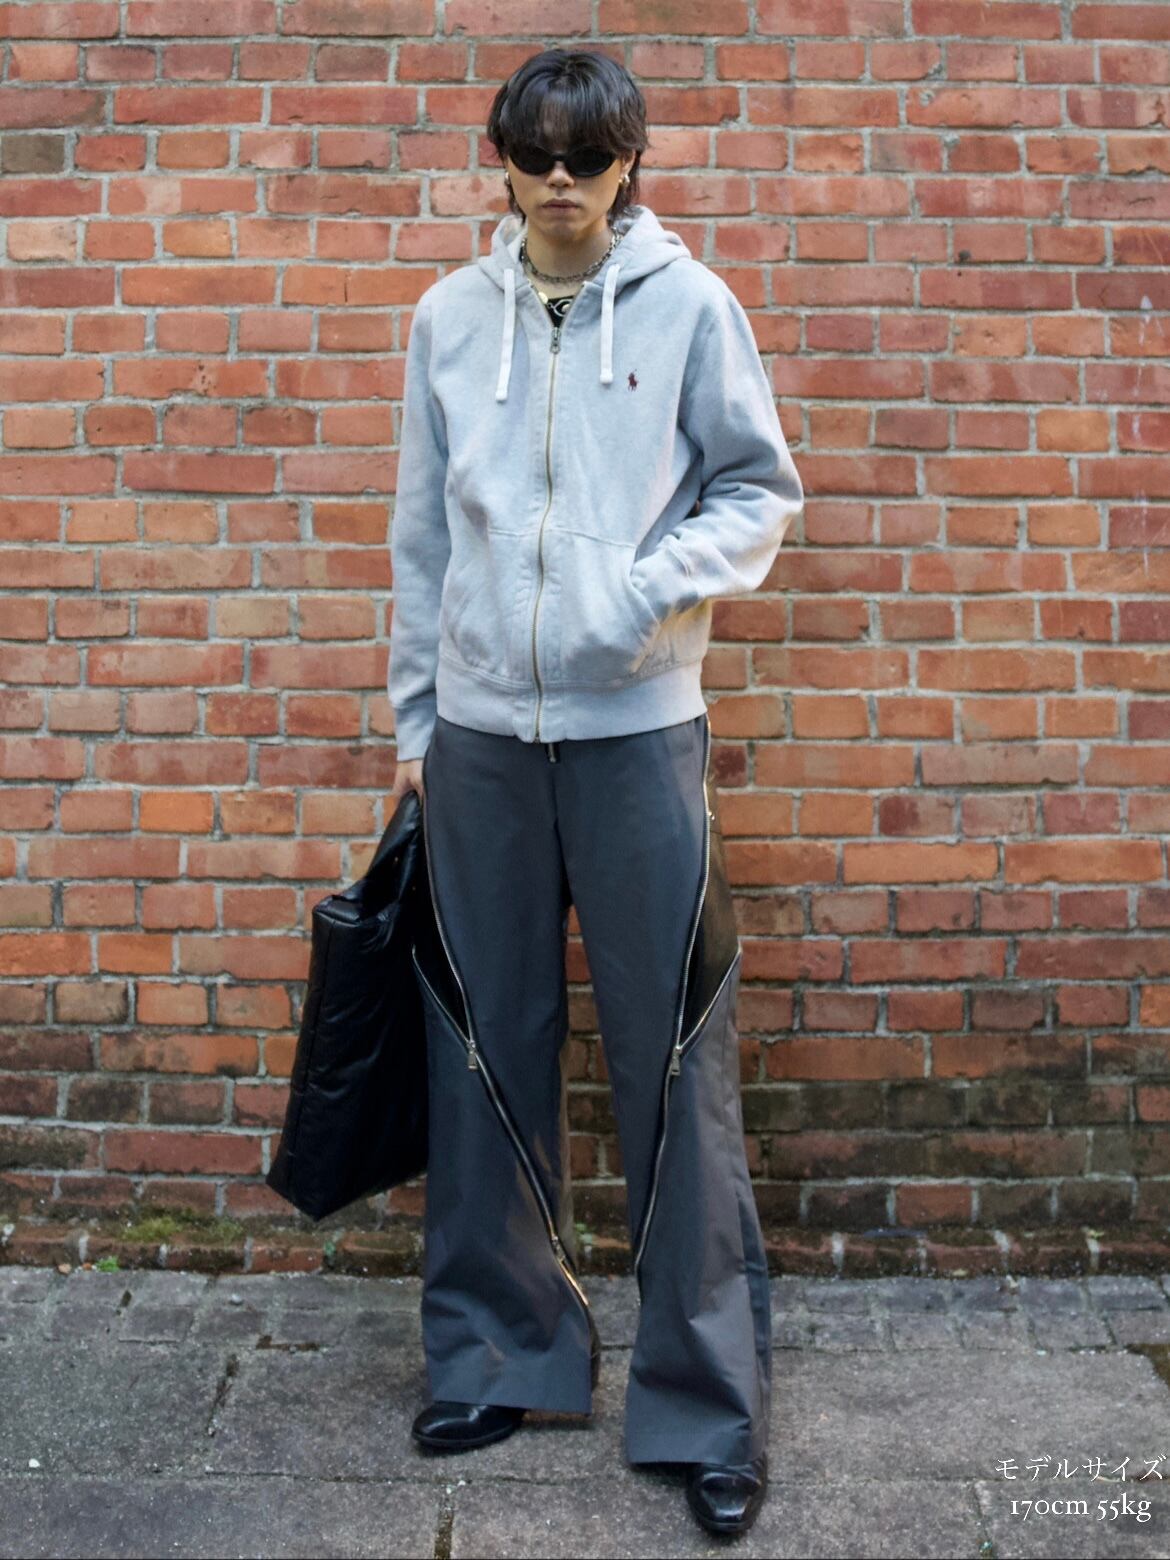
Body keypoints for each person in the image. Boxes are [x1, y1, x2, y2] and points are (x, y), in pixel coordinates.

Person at [387, 46, 804, 1540]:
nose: (560, 181)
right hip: (481, 741)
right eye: (535, 155)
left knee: (674, 1060)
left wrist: (635, 596)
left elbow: (756, 492)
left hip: (639, 736)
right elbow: (422, 535)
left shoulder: (690, 308)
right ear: (500, 160)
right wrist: (419, 721)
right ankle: (497, 1359)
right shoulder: (448, 319)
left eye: (589, 156)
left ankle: (705, 1405)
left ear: (630, 165)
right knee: (480, 1050)